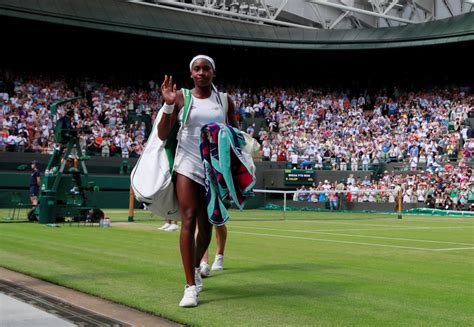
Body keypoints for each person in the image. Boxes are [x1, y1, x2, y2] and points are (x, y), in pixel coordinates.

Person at [158, 55, 238, 307]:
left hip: (213, 169)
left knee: (206, 228)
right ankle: (189, 287)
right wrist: (169, 106)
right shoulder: (181, 97)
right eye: (197, 69)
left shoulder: (225, 101)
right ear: (191, 74)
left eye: (206, 69)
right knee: (189, 218)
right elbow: (162, 134)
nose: (201, 72)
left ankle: (194, 267)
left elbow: (236, 136)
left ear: (213, 73)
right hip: (186, 163)